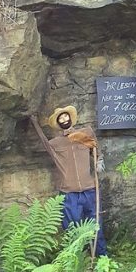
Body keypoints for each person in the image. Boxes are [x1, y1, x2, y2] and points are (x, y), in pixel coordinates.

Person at [30, 105, 108, 257]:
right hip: (69, 193)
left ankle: (102, 257)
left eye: (66, 116)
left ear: (71, 118)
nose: (64, 119)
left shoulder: (85, 134)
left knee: (96, 225)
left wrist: (99, 160)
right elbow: (43, 141)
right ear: (58, 123)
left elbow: (96, 150)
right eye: (61, 118)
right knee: (72, 228)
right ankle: (78, 260)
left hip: (90, 190)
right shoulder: (55, 143)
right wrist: (33, 122)